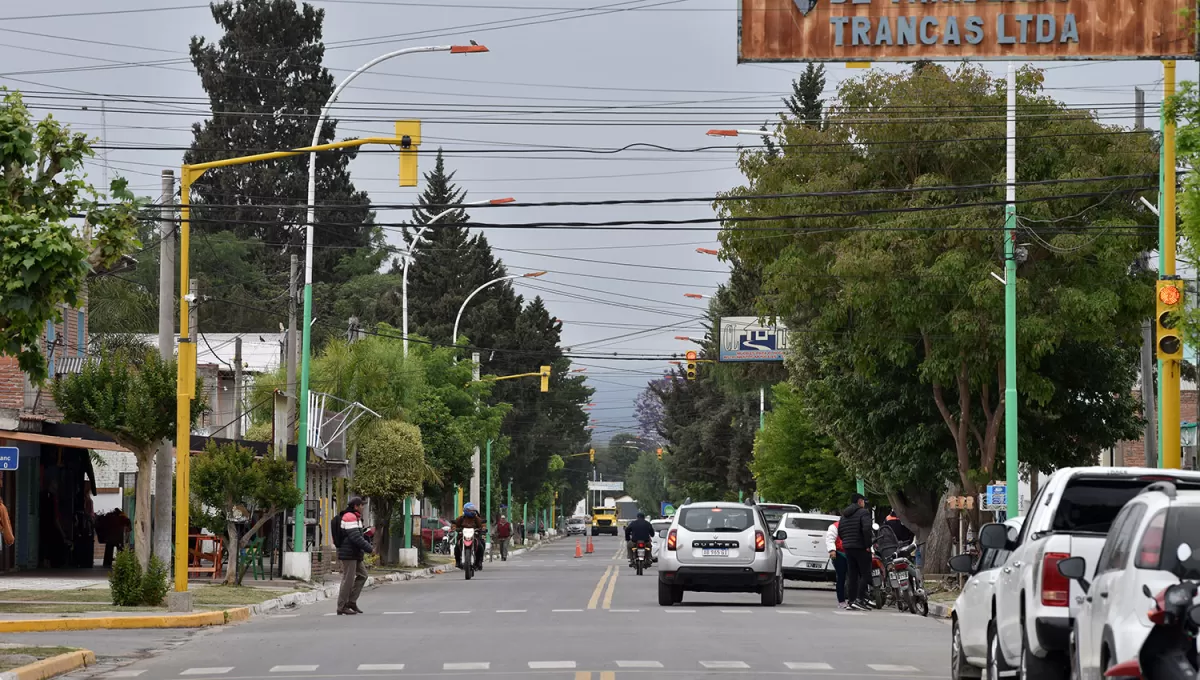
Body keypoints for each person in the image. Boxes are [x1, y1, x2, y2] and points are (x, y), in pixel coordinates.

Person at [334, 497, 373, 616]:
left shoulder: (356, 517)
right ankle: (341, 606)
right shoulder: (349, 517)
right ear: (356, 506)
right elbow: (355, 537)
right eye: (361, 505)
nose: (363, 507)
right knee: (348, 580)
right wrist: (369, 548)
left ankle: (351, 602)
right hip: (349, 553)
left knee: (363, 575)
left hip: (355, 553)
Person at [838, 493, 875, 611]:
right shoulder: (863, 513)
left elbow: (840, 531)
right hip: (861, 547)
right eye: (863, 501)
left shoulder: (844, 515)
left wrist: (847, 542)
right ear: (860, 501)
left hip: (848, 547)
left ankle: (852, 601)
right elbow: (866, 528)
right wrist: (868, 545)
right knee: (866, 574)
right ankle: (859, 598)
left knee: (853, 575)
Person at [451, 503, 486, 570]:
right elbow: (455, 524)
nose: (472, 512)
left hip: (474, 536)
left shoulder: (476, 518)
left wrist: (483, 528)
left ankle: (479, 562)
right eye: (470, 510)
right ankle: (458, 562)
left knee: (480, 546)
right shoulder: (461, 518)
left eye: (473, 510)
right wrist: (454, 527)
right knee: (456, 547)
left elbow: (482, 524)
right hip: (462, 536)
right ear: (466, 510)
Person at [824, 519, 848, 609]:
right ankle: (841, 601)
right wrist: (832, 550)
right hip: (839, 554)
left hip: (852, 553)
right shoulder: (835, 526)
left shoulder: (856, 524)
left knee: (855, 577)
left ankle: (855, 599)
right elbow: (830, 539)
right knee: (841, 577)